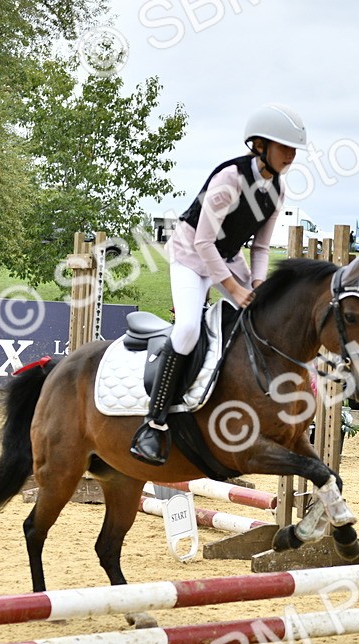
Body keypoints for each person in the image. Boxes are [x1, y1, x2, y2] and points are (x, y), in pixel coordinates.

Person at [129, 103, 306, 465]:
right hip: (190, 256)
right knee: (189, 330)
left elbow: (259, 246)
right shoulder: (229, 179)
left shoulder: (277, 191)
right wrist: (236, 289)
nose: (290, 155)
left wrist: (256, 285)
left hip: (226, 258)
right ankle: (154, 423)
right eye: (284, 147)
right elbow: (202, 244)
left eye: (293, 149)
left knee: (263, 319)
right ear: (259, 145)